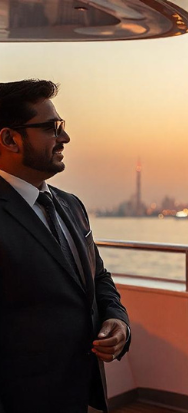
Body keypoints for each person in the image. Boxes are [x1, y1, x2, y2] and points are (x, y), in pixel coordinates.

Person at [0, 79, 131, 412]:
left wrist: (118, 321)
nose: (65, 138)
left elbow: (98, 279)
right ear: (9, 139)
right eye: (51, 128)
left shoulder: (71, 205)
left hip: (80, 394)